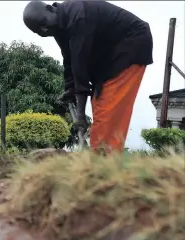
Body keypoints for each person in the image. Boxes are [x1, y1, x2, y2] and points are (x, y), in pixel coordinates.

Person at [22, 0, 153, 154]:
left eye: (43, 23)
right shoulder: (59, 26)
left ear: (50, 9)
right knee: (100, 104)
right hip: (108, 57)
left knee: (108, 106)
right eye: (39, 31)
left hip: (131, 44)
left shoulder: (78, 16)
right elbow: (69, 59)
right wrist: (70, 88)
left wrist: (80, 114)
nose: (44, 30)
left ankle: (103, 165)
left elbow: (80, 63)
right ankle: (101, 160)